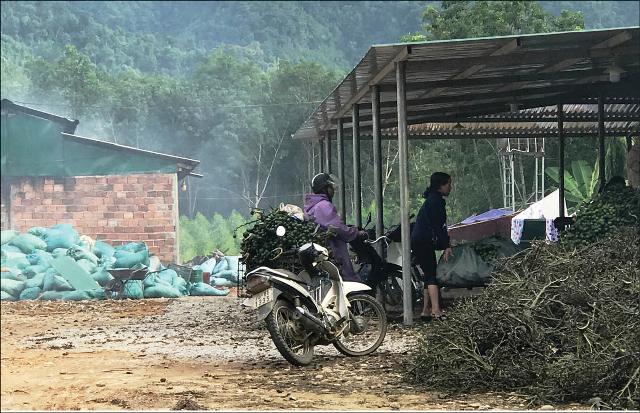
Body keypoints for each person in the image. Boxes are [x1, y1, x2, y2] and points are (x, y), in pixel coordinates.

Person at [303, 172, 368, 282]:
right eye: (330, 187)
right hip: (333, 251)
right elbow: (337, 227)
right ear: (325, 189)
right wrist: (356, 233)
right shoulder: (324, 206)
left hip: (322, 253)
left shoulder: (312, 206)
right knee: (350, 281)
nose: (333, 190)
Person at [411, 172, 454, 321]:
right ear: (440, 186)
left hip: (419, 240)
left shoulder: (431, 199)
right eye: (448, 184)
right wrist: (446, 245)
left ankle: (426, 311)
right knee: (431, 275)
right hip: (424, 240)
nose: (450, 187)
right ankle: (436, 310)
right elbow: (439, 226)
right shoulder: (436, 202)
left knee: (428, 274)